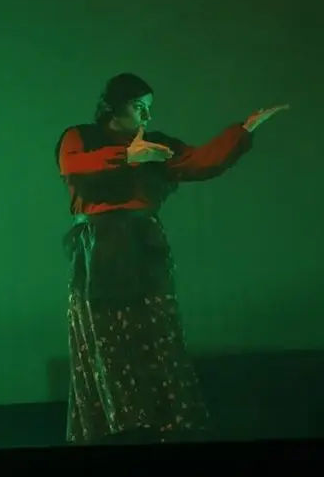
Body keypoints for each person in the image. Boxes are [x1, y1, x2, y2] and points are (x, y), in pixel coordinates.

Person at [55, 73, 288, 445]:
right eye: (138, 107)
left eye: (149, 108)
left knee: (156, 330)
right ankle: (115, 424)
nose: (146, 116)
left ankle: (162, 421)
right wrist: (127, 157)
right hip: (98, 247)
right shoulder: (80, 136)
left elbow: (199, 161)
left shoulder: (155, 144)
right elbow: (73, 165)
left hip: (143, 244)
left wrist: (243, 131)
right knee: (106, 333)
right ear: (115, 106)